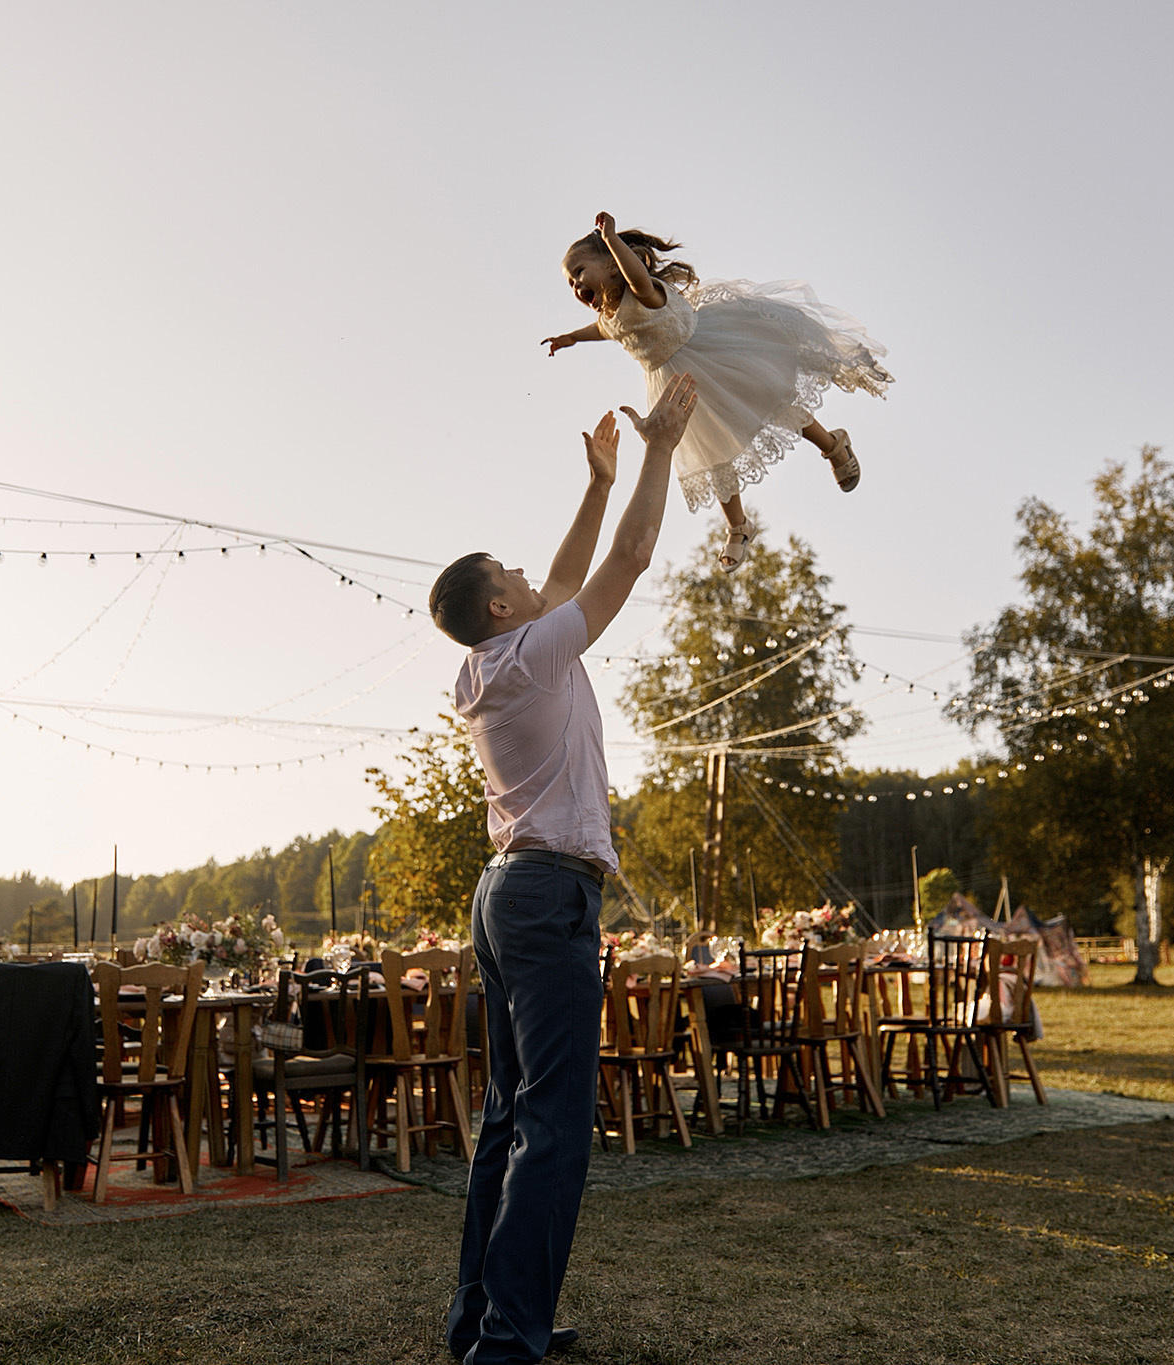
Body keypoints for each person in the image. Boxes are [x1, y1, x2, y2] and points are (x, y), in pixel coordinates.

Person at [430, 372, 698, 1365]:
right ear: (499, 603)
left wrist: (595, 480)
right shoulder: (533, 655)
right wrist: (661, 449)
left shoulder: (488, 663)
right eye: (511, 575)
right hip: (545, 898)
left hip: (505, 895)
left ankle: (489, 1320)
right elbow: (624, 562)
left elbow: (562, 578)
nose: (530, 579)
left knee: (509, 1117)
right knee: (551, 1125)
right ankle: (506, 1340)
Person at [543, 211, 893, 570]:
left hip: (711, 355)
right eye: (570, 282)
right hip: (675, 384)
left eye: (579, 272)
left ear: (613, 266)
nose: (575, 286)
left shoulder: (643, 292)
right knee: (711, 453)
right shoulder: (610, 316)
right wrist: (571, 337)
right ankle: (738, 526)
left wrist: (613, 240)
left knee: (772, 402)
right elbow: (602, 330)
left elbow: (636, 278)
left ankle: (832, 444)